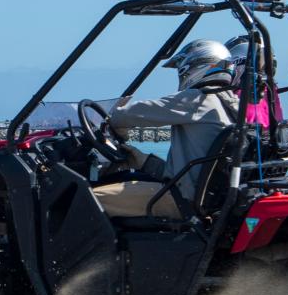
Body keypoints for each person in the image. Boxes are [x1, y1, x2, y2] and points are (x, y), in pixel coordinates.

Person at [90, 39, 237, 218]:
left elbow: (127, 115)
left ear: (194, 66)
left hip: (179, 199)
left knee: (87, 199)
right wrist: (143, 161)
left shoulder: (197, 100)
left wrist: (112, 121)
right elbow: (191, 169)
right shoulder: (231, 106)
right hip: (202, 198)